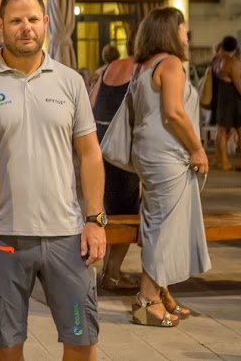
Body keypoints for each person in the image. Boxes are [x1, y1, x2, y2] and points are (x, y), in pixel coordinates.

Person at [0, 0, 105, 359]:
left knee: (81, 339)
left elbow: (90, 155)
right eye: (16, 20)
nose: (26, 27)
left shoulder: (70, 81)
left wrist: (95, 219)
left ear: (46, 22)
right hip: (3, 236)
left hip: (66, 235)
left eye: (33, 19)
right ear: (0, 25)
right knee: (6, 343)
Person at [129, 7, 211, 327]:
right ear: (169, 32)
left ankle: (162, 293)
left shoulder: (144, 66)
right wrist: (197, 149)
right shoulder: (171, 63)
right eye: (182, 29)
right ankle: (147, 300)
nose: (186, 35)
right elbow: (174, 113)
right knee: (165, 228)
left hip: (148, 153)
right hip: (167, 155)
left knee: (159, 223)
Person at [89, 34, 141, 292]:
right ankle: (111, 273)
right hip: (122, 150)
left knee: (113, 210)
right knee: (128, 214)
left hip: (100, 146)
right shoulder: (141, 69)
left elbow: (91, 103)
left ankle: (110, 270)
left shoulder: (109, 68)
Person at [211, 35, 241, 171]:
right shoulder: (232, 63)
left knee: (221, 131)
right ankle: (224, 162)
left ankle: (221, 160)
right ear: (234, 48)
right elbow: (238, 85)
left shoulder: (216, 60)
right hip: (232, 101)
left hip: (221, 99)